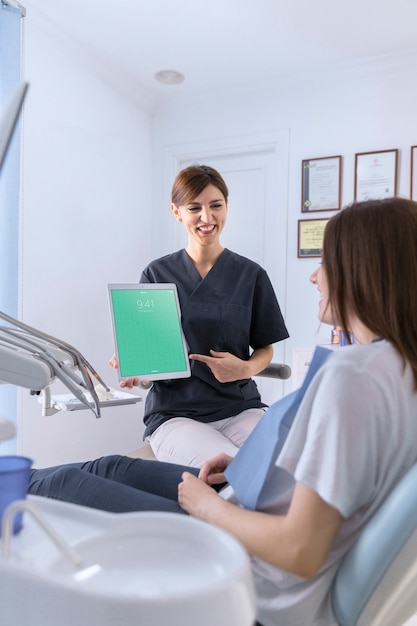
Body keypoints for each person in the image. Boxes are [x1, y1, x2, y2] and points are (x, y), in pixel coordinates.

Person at [29, 197, 417, 625]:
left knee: (65, 483)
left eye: (326, 261)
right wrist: (254, 468)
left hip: (246, 564)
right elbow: (351, 475)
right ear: (178, 212)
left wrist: (207, 508)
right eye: (193, 207)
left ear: (363, 271)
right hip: (248, 502)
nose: (314, 275)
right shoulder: (396, 367)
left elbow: (300, 551)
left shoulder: (354, 377)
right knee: (112, 468)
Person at [110, 164, 289, 466]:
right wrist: (136, 370)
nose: (207, 218)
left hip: (241, 408)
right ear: (177, 212)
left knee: (281, 464)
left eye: (216, 206)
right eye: (194, 208)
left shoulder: (251, 275)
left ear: (227, 207)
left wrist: (244, 370)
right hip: (176, 414)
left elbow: (265, 348)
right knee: (237, 471)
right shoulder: (157, 274)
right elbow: (148, 363)